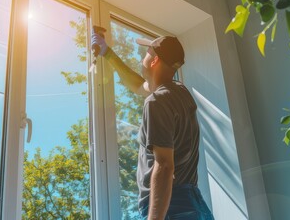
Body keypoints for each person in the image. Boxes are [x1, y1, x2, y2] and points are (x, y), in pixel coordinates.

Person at [91, 32, 214, 220]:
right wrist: (107, 53)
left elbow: (164, 165)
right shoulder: (179, 92)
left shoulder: (156, 101)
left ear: (154, 60)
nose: (142, 58)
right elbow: (139, 86)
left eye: (145, 53)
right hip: (194, 204)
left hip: (171, 207)